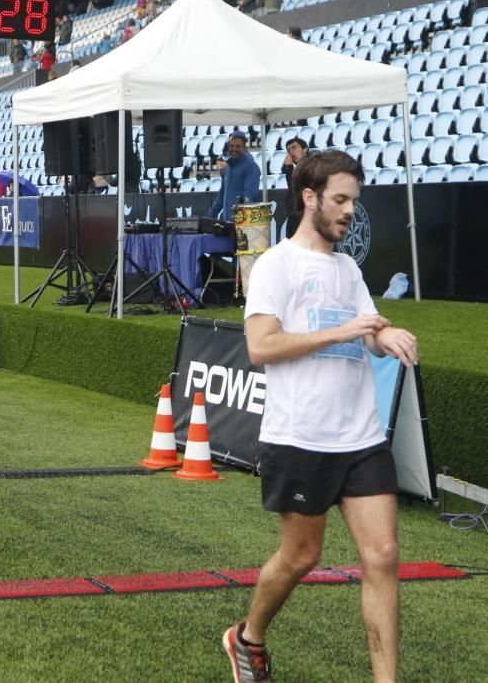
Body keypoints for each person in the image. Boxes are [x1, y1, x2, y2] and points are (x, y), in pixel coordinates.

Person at [223, 150, 419, 683]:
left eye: (353, 201)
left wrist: (386, 336)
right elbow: (261, 347)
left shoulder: (348, 267)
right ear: (309, 198)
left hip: (360, 436)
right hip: (299, 438)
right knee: (301, 557)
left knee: (382, 553)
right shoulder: (274, 265)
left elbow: (368, 329)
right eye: (340, 200)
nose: (349, 211)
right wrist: (341, 332)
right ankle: (247, 637)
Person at [208, 131, 262, 221]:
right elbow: (221, 198)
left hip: (244, 224)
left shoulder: (251, 167)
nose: (234, 149)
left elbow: (249, 197)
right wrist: (208, 218)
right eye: (232, 146)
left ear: (244, 148)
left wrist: (237, 219)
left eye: (238, 146)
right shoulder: (227, 167)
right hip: (228, 224)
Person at [281, 137, 309, 238]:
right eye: (288, 150)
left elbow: (296, 189)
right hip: (293, 215)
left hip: (304, 216)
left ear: (305, 149)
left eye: (294, 147)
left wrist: (289, 169)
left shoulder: (311, 167)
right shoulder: (295, 169)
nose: (291, 152)